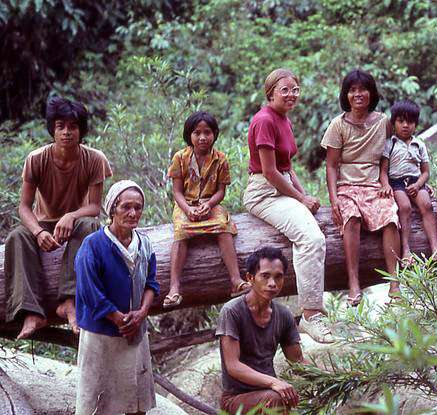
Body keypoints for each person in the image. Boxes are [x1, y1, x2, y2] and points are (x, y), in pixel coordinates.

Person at [4, 96, 113, 339]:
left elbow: (94, 207)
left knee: (91, 225)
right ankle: (31, 312)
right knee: (16, 237)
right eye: (60, 126)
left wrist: (71, 215)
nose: (66, 132)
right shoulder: (37, 158)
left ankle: (69, 301)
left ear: (81, 131)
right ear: (52, 129)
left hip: (78, 222)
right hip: (44, 223)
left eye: (73, 126)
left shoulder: (94, 159)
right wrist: (38, 232)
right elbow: (24, 207)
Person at [243, 68, 332, 343]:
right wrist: (299, 199)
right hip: (263, 192)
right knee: (311, 238)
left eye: (295, 89)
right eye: (285, 90)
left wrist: (305, 197)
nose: (291, 94)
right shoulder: (264, 120)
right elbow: (270, 172)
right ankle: (311, 315)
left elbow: (287, 167)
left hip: (280, 188)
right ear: (270, 93)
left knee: (314, 230)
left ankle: (314, 308)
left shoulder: (283, 119)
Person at [75, 180, 159, 415]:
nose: (133, 213)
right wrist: (119, 319)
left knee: (136, 404)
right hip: (102, 336)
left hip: (135, 333)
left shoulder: (144, 244)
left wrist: (141, 314)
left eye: (138, 207)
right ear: (112, 209)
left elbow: (151, 283)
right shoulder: (93, 245)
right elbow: (89, 291)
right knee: (98, 404)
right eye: (126, 207)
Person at [321, 69, 402, 306]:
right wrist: (334, 199)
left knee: (389, 217)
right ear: (346, 95)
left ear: (371, 93)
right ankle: (354, 283)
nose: (358, 94)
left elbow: (387, 155)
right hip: (347, 186)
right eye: (352, 90)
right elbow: (332, 166)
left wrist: (386, 180)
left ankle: (394, 282)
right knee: (352, 218)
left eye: (363, 89)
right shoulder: (338, 125)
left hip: (374, 185)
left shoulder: (383, 122)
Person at [164, 111, 248, 309]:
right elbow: (177, 192)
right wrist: (187, 209)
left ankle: (236, 280)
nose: (202, 137)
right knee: (181, 231)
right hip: (186, 204)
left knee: (223, 226)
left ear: (215, 134)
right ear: (189, 135)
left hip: (209, 204)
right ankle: (174, 288)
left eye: (207, 132)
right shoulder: (180, 158)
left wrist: (209, 205)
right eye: (197, 133)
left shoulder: (221, 159)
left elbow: (220, 192)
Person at [217, 246, 305, 415]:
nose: (272, 283)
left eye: (278, 277)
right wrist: (274, 383)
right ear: (250, 278)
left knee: (286, 397)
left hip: (269, 393)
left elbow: (298, 361)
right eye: (265, 276)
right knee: (276, 399)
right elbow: (233, 366)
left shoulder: (284, 314)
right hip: (236, 399)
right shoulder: (232, 311)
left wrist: (332, 377)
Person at [380, 99, 437, 266]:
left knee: (427, 205)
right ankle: (406, 250)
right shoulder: (390, 144)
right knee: (405, 207)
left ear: (416, 124)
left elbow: (425, 171)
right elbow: (383, 171)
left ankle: (435, 248)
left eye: (410, 122)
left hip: (415, 181)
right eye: (401, 121)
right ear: (394, 123)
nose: (405, 125)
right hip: (397, 182)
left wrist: (418, 185)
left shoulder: (419, 144)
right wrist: (386, 185)